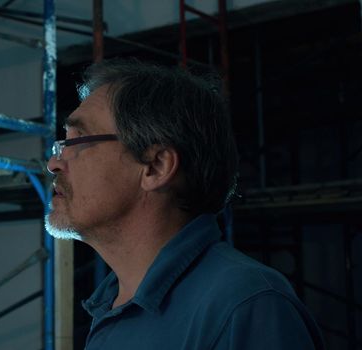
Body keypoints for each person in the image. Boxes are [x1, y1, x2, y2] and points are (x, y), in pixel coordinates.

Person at [45, 58, 324, 349]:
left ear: (156, 166)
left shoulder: (245, 307)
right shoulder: (113, 304)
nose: (54, 163)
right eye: (61, 145)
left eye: (78, 141)